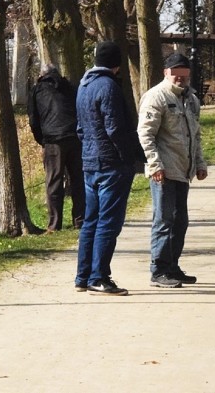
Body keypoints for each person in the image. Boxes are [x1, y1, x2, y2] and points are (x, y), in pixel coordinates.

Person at [74, 41, 141, 296]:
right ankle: (99, 276)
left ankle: (83, 276)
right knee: (108, 223)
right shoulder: (109, 86)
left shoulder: (84, 85)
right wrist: (128, 157)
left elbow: (80, 128)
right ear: (117, 64)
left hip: (90, 161)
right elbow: (115, 128)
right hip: (111, 164)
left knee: (90, 220)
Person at [137, 52, 208, 289]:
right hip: (164, 171)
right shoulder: (155, 97)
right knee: (164, 220)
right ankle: (158, 270)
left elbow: (195, 135)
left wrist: (199, 163)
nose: (181, 78)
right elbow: (145, 134)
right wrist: (155, 165)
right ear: (166, 73)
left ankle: (172, 266)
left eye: (184, 73)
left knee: (180, 221)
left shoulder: (191, 99)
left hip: (183, 170)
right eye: (176, 73)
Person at [28, 64, 86, 232]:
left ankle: (54, 224)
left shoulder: (37, 90)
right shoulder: (70, 87)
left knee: (54, 182)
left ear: (41, 75)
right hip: (74, 137)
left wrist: (42, 140)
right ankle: (80, 220)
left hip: (53, 140)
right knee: (78, 180)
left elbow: (33, 120)